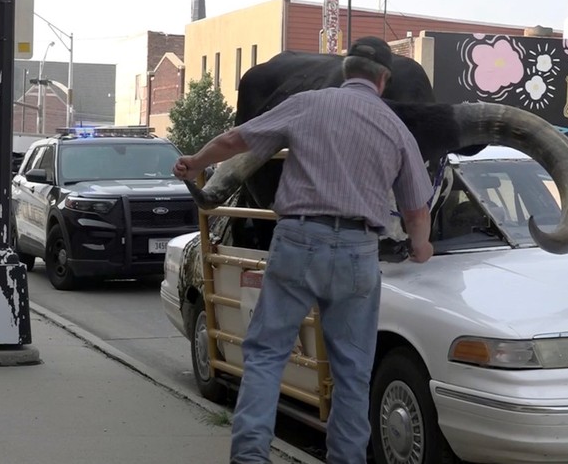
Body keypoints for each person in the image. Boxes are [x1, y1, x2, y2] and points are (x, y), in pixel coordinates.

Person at [173, 37, 434, 464]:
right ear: (383, 79)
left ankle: (250, 457)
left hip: (298, 241)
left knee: (266, 356)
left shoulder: (307, 104)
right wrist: (421, 247)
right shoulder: (395, 128)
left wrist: (195, 162)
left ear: (346, 68)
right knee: (352, 372)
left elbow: (238, 139)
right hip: (358, 253)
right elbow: (417, 211)